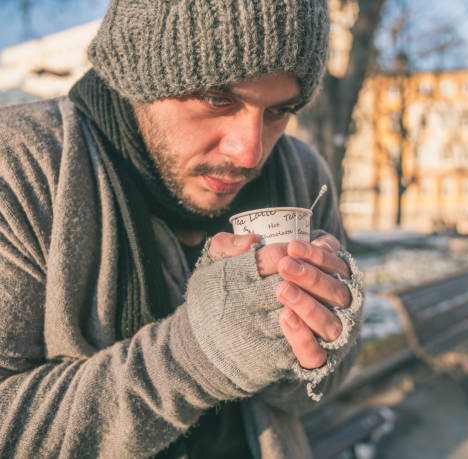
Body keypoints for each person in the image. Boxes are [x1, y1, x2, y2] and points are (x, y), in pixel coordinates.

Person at [0, 1, 364, 458]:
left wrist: (324, 330)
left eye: (279, 110)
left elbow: (311, 391)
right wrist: (199, 354)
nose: (249, 154)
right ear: (139, 73)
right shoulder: (19, 166)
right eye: (218, 99)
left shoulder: (302, 175)